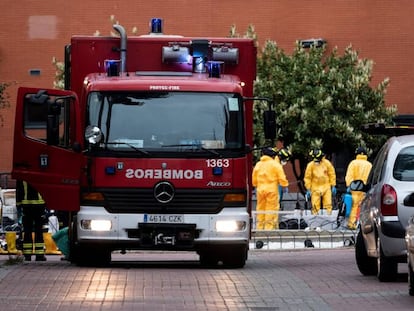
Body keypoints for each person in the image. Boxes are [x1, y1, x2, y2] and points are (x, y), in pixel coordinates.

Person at [252, 147, 289, 230]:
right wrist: (285, 185)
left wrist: (256, 185)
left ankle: (260, 228)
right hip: (272, 190)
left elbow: (254, 179)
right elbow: (282, 178)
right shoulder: (275, 164)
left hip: (260, 190)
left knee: (260, 209)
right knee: (271, 209)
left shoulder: (258, 164)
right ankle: (269, 229)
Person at [16, 180, 47, 261]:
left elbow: (19, 190)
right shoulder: (39, 174)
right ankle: (39, 255)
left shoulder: (21, 176)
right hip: (39, 206)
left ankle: (27, 255)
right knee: (39, 230)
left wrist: (19, 205)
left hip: (26, 206)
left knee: (27, 231)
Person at [345, 146, 372, 229]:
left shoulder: (353, 163)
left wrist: (349, 186)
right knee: (365, 207)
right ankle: (363, 224)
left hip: (355, 189)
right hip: (365, 190)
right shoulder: (369, 165)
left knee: (354, 206)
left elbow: (349, 176)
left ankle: (352, 224)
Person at [304, 149, 336, 215]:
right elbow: (307, 178)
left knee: (328, 205)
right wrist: (308, 189)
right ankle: (315, 222)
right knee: (315, 206)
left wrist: (333, 185)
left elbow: (332, 174)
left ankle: (328, 221)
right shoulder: (310, 165)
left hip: (326, 186)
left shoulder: (327, 163)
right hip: (315, 187)